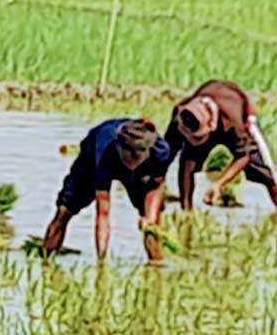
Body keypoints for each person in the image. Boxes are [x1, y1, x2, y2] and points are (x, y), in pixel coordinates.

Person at [42, 119, 170, 261]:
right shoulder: (104, 153)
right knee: (64, 211)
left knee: (151, 226)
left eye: (136, 157)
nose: (132, 162)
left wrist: (149, 219)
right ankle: (47, 260)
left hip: (142, 169)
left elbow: (156, 187)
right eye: (129, 156)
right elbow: (103, 213)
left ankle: (156, 265)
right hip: (91, 161)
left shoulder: (160, 151)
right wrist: (102, 263)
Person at [164, 80, 277, 210]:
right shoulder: (184, 113)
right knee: (188, 161)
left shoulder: (234, 121)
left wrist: (218, 184)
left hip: (240, 120)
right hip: (210, 120)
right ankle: (187, 211)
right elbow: (167, 152)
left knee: (267, 174)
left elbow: (243, 157)